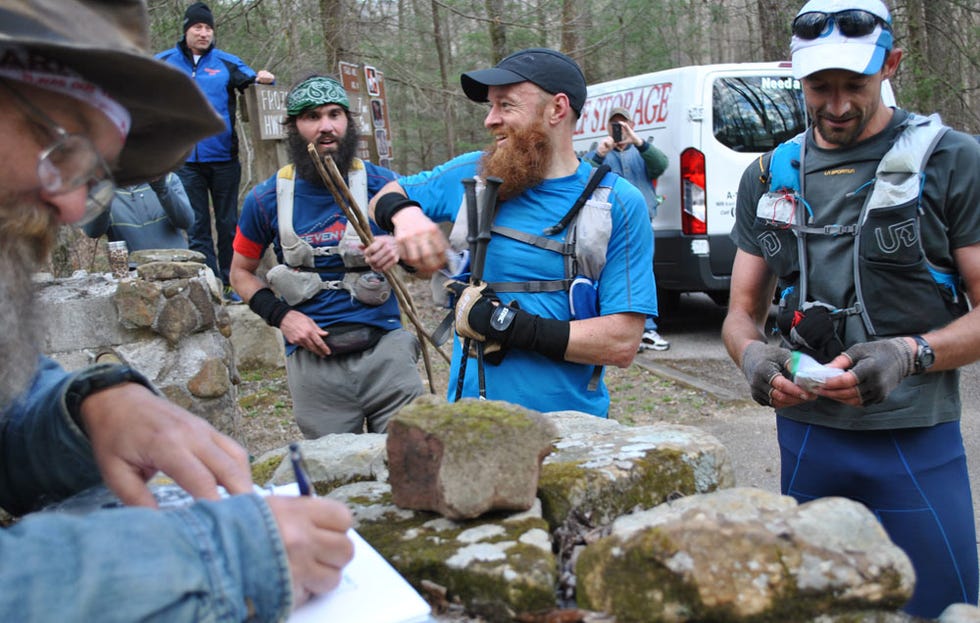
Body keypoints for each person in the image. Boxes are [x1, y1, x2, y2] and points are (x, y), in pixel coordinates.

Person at [0, 1, 354, 619]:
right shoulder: (271, 200)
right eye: (62, 147)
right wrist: (213, 558)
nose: (72, 206)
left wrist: (87, 409)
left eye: (98, 173)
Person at [722, 0, 980, 617]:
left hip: (916, 441)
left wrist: (910, 353)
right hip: (808, 443)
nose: (836, 105)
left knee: (943, 611)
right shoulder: (768, 174)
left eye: (854, 85)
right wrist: (754, 358)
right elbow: (738, 313)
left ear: (891, 63)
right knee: (815, 609)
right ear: (797, 74)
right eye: (819, 86)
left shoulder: (953, 160)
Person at [368, 48, 657, 418]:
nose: (490, 120)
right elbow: (385, 196)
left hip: (570, 432)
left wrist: (504, 325)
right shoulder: (472, 173)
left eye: (506, 105)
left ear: (557, 109)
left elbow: (621, 342)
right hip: (472, 425)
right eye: (490, 107)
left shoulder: (616, 203)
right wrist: (406, 216)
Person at [230, 74, 425, 437]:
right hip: (313, 363)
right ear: (292, 127)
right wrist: (283, 317)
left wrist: (399, 250)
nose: (326, 127)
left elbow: (425, 261)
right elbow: (240, 272)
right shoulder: (265, 199)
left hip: (387, 352)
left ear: (349, 122)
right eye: (312, 117)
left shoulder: (385, 186)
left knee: (409, 463)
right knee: (336, 480)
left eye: (335, 114)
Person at [156, 2, 276, 302]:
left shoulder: (226, 62)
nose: (203, 33)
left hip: (223, 158)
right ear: (186, 30)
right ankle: (207, 285)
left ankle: (230, 281)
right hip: (184, 160)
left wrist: (265, 78)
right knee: (196, 226)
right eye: (197, 27)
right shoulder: (165, 61)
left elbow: (253, 79)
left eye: (208, 28)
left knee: (227, 224)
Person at [585, 106, 670, 352]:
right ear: (606, 127)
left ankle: (648, 329)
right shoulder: (600, 153)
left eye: (623, 124)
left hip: (641, 222)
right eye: (615, 125)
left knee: (641, 273)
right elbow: (584, 175)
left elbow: (661, 164)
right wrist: (600, 153)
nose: (619, 129)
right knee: (608, 274)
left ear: (631, 124)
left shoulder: (641, 151)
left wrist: (637, 141)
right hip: (605, 222)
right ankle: (613, 328)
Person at [81, 173, 194, 251]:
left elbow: (186, 222)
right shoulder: (99, 188)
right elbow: (92, 232)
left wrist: (162, 188)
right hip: (131, 274)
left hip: (176, 268)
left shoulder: (168, 179)